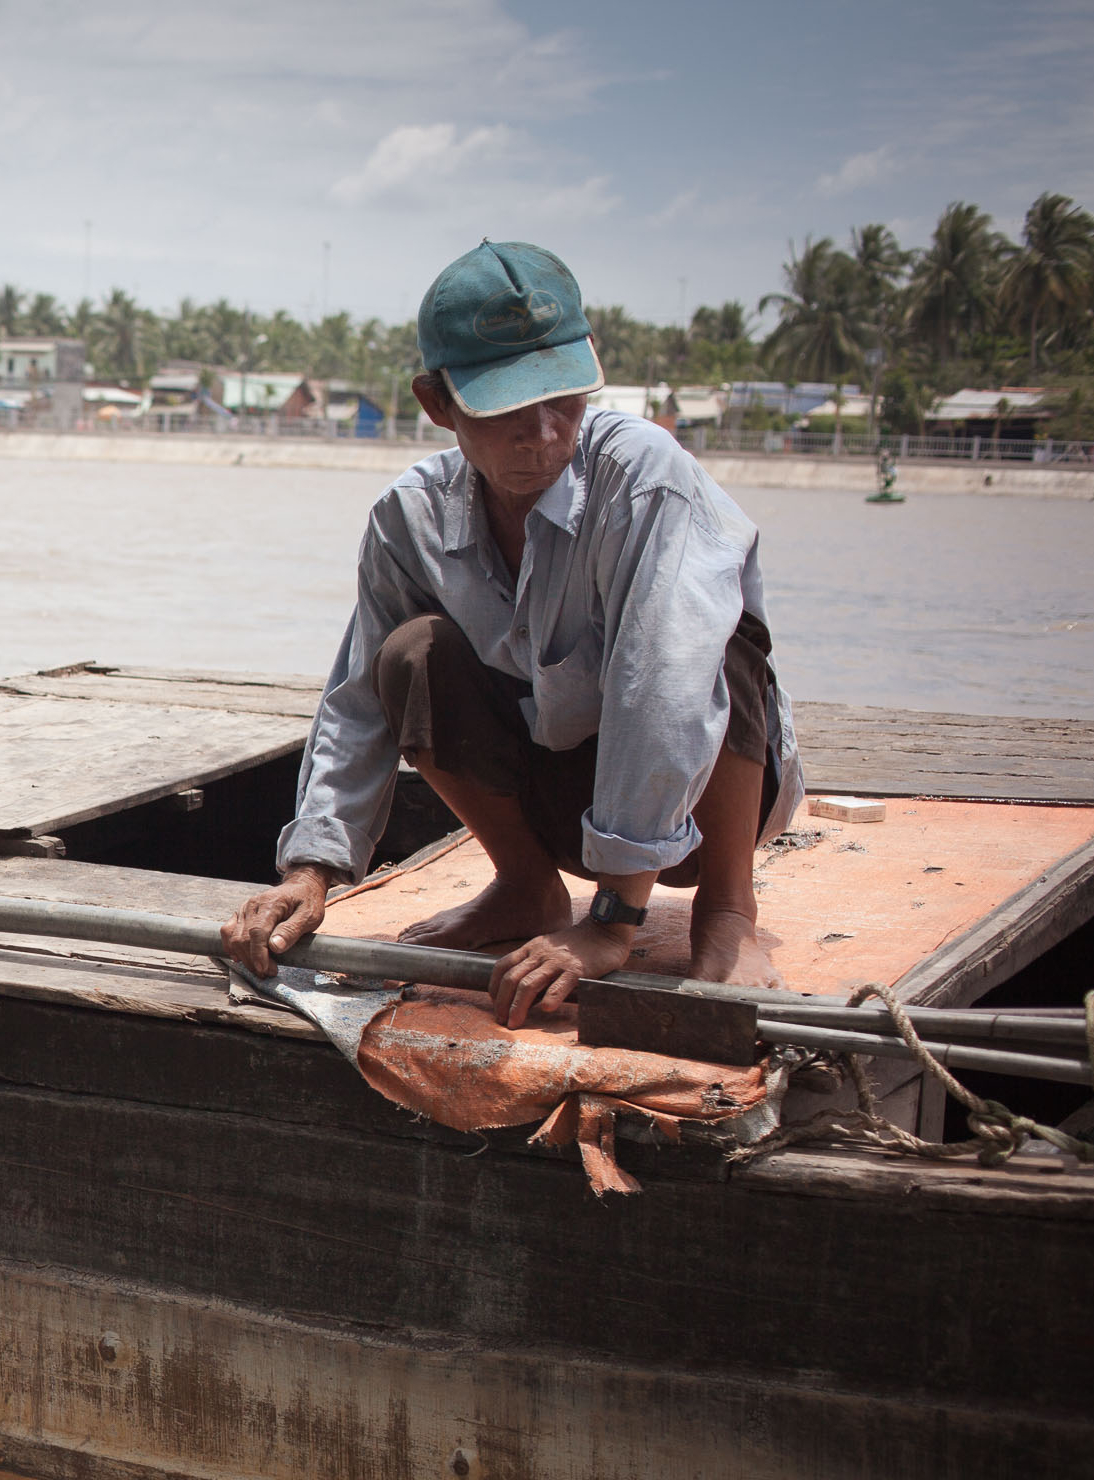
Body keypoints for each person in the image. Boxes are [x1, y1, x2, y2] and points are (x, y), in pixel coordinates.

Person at [224, 241, 803, 1027]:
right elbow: (357, 702)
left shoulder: (644, 479)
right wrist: (311, 870)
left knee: (718, 639)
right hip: (559, 802)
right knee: (410, 655)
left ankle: (730, 910)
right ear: (438, 404)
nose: (542, 432)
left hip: (699, 813)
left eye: (562, 399)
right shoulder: (410, 517)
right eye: (506, 409)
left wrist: (613, 922)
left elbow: (664, 688)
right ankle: (526, 884)